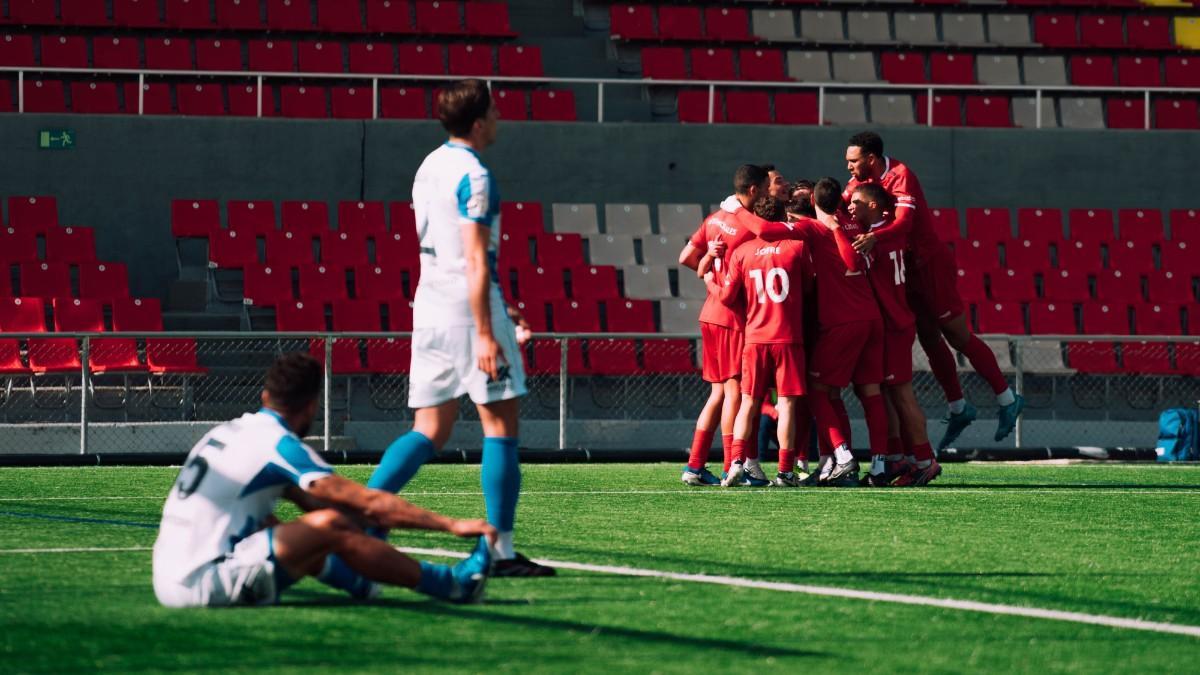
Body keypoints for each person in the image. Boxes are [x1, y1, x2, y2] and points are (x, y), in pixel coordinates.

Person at [365, 79, 553, 577]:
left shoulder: (429, 165)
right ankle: (500, 552)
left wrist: (499, 309)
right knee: (500, 429)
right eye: (493, 111)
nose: (499, 118)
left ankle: (363, 517)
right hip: (467, 307)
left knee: (429, 429)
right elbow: (474, 258)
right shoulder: (477, 173)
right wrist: (488, 331)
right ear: (477, 122)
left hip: (429, 302)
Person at [152, 353, 497, 608]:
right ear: (311, 406)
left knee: (278, 524)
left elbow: (316, 505)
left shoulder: (229, 432)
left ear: (265, 397)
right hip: (204, 585)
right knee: (328, 525)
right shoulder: (279, 445)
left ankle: (357, 582)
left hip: (169, 578)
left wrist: (362, 524)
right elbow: (366, 503)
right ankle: (452, 585)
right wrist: (452, 525)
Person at [843, 132, 1023, 450]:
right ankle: (958, 408)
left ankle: (1007, 398)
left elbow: (904, 223)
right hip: (906, 271)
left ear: (870, 159)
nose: (849, 168)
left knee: (955, 334)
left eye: (853, 161)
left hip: (929, 266)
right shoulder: (859, 185)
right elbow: (841, 206)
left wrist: (875, 238)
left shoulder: (900, 176)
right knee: (927, 337)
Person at [740, 178, 892, 486]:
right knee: (868, 392)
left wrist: (735, 209)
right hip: (872, 318)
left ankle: (842, 455)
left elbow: (767, 230)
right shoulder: (855, 225)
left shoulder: (813, 229)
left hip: (841, 321)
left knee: (816, 389)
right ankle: (878, 465)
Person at [677, 164, 770, 487]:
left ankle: (695, 465)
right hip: (732, 317)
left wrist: (707, 270)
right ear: (754, 190)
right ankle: (734, 466)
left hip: (709, 314)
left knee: (717, 393)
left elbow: (686, 257)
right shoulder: (749, 225)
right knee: (734, 392)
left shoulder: (715, 218)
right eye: (767, 189)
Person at [847, 183, 942, 487]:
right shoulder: (886, 233)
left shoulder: (875, 240)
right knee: (885, 392)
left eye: (857, 202)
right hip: (890, 324)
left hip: (894, 325)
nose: (851, 206)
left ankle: (925, 461)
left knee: (901, 393)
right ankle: (897, 457)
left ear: (873, 206)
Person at [710, 214, 815, 488]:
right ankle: (785, 472)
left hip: (755, 339)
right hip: (788, 338)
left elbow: (728, 296)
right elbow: (809, 285)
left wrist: (709, 278)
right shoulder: (797, 246)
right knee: (788, 405)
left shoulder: (742, 252)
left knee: (748, 403)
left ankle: (736, 463)